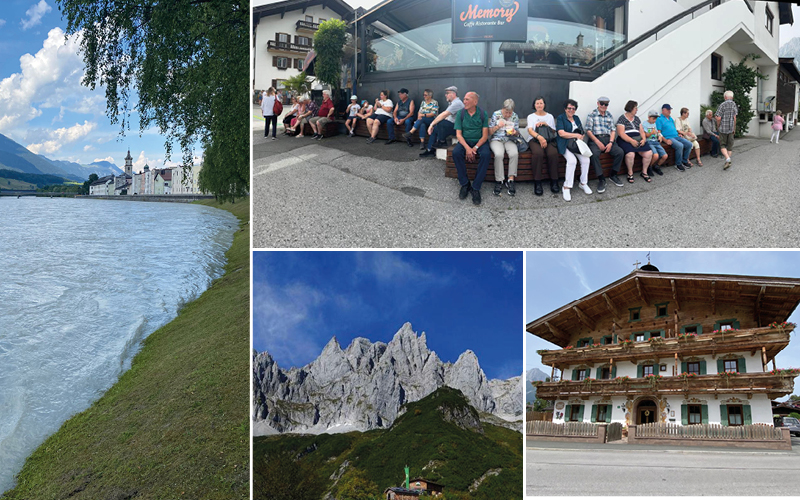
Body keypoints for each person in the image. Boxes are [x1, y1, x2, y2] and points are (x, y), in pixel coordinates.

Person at [451, 91, 490, 205]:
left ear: (475, 101)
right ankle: (465, 184)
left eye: (467, 99)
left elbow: (484, 136)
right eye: (464, 99)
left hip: (480, 142)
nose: (464, 102)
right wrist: (468, 148)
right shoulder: (460, 113)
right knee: (456, 153)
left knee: (486, 155)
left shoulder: (483, 113)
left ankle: (476, 187)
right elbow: (458, 135)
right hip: (465, 141)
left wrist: (476, 147)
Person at [585, 96, 625, 193]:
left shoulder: (609, 115)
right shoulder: (592, 114)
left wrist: (611, 142)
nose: (604, 106)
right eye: (602, 103)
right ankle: (601, 179)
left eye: (606, 104)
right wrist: (598, 142)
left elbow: (612, 130)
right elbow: (588, 131)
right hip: (596, 139)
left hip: (608, 139)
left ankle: (613, 175)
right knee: (594, 154)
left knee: (620, 152)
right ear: (598, 103)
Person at [556, 99, 592, 202]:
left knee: (586, 160)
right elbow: (561, 133)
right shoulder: (561, 118)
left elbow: (581, 131)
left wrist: (581, 136)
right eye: (569, 108)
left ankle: (583, 183)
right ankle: (566, 187)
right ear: (565, 109)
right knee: (572, 161)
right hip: (565, 144)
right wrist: (576, 135)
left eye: (573, 108)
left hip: (576, 145)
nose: (571, 110)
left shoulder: (576, 118)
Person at [526, 96, 560, 195]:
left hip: (549, 139)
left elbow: (554, 131)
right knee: (538, 154)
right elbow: (530, 130)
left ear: (544, 104)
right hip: (534, 139)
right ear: (534, 105)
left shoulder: (549, 116)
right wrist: (539, 137)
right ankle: (537, 182)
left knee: (552, 153)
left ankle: (554, 181)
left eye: (541, 103)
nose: (539, 105)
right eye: (537, 103)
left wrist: (546, 124)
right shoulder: (531, 116)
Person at [615, 100, 654, 183]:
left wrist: (643, 139)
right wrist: (631, 141)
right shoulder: (622, 118)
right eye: (636, 108)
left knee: (649, 153)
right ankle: (630, 173)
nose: (637, 110)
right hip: (625, 139)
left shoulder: (637, 118)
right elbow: (621, 133)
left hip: (638, 137)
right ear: (631, 108)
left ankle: (644, 172)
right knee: (630, 154)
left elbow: (641, 131)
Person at [419, 86, 464, 157]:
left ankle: (442, 141)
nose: (445, 95)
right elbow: (447, 116)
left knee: (440, 122)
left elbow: (444, 114)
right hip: (453, 126)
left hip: (459, 129)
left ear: (453, 94)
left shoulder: (457, 103)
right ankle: (430, 150)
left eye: (447, 93)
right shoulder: (452, 103)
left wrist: (431, 124)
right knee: (435, 129)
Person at [488, 99, 521, 197]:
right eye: (506, 112)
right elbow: (490, 132)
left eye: (510, 113)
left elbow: (518, 132)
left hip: (509, 139)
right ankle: (499, 180)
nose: (508, 115)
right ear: (503, 109)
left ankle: (510, 179)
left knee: (514, 153)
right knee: (498, 154)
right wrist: (498, 126)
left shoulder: (515, 116)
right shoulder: (496, 114)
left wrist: (515, 132)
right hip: (497, 139)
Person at [656, 104, 692, 171]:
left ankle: (684, 161)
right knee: (680, 146)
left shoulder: (670, 119)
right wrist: (665, 140)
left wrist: (679, 134)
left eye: (670, 110)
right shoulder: (659, 119)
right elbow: (659, 132)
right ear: (663, 110)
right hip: (668, 137)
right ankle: (678, 164)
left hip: (676, 136)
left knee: (689, 144)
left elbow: (674, 129)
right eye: (668, 110)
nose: (670, 111)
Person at [715, 90, 738, 169]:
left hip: (723, 129)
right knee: (730, 146)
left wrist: (718, 126)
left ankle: (728, 159)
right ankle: (727, 161)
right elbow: (734, 118)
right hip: (731, 129)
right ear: (732, 97)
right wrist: (734, 128)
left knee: (722, 145)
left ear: (725, 97)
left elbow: (718, 117)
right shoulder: (734, 104)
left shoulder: (722, 105)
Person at [642, 110, 667, 175]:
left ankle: (656, 166)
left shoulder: (654, 124)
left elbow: (657, 132)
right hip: (649, 142)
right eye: (653, 118)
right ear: (649, 117)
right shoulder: (644, 124)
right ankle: (649, 167)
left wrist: (660, 136)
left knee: (665, 156)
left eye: (656, 118)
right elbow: (645, 135)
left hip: (656, 142)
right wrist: (651, 133)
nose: (655, 120)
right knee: (656, 156)